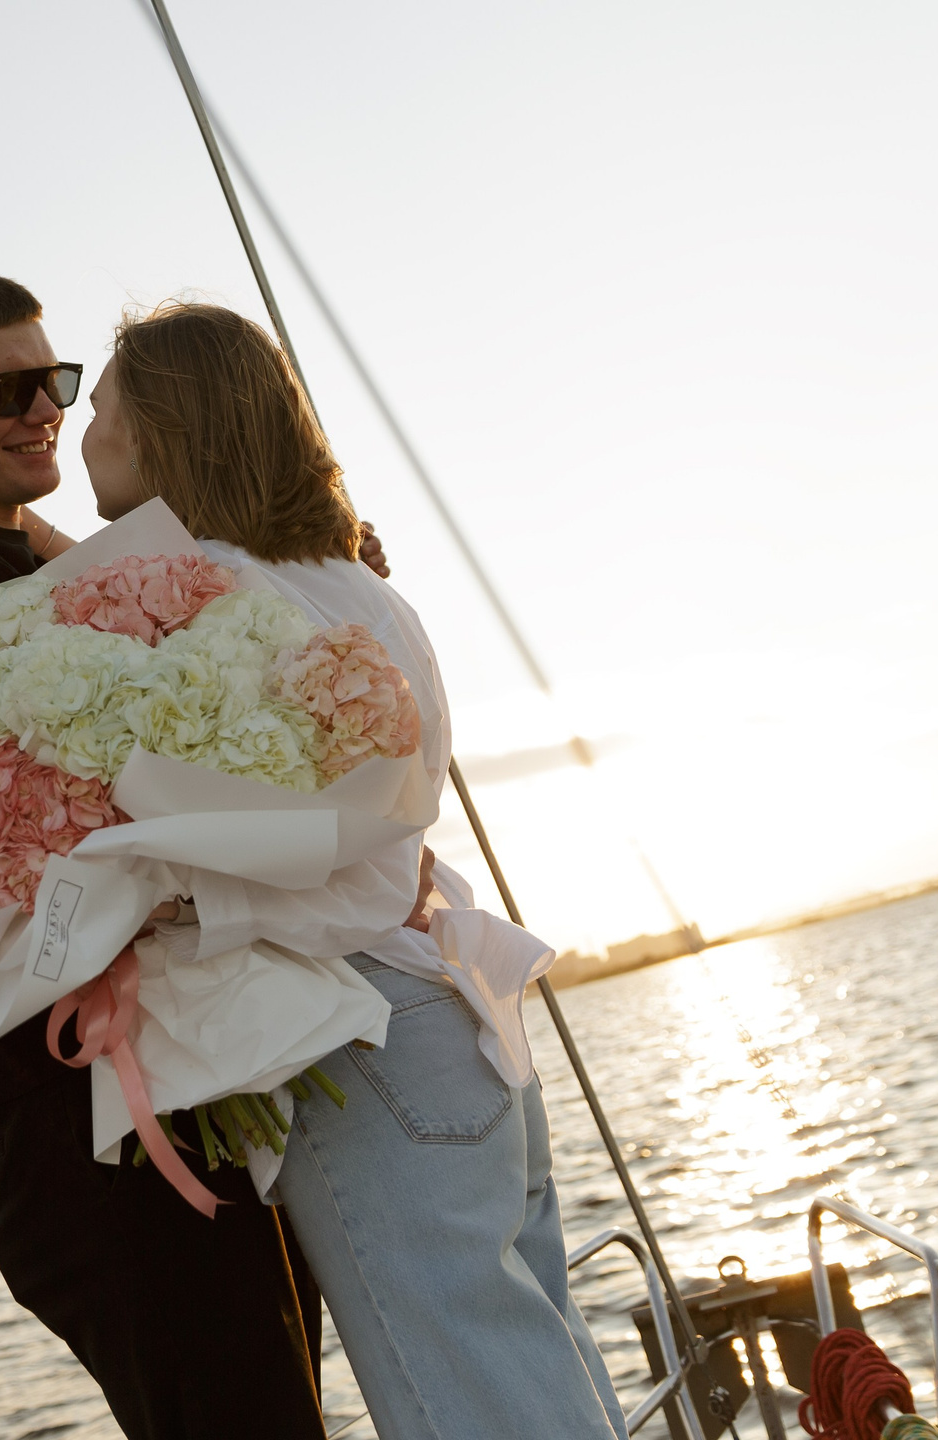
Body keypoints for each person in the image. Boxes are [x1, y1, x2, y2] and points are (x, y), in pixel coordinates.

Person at [79, 299, 630, 1440]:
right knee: (534, 1371)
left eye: (100, 409)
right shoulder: (362, 589)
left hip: (364, 1038)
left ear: (160, 428)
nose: (82, 435)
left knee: (464, 1405)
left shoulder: (204, 605)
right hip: (457, 1014)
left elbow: (226, 832)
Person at [0, 270, 330, 1437]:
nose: (43, 408)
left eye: (55, 381)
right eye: (7, 387)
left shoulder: (44, 568)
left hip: (179, 1073)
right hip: (77, 1117)